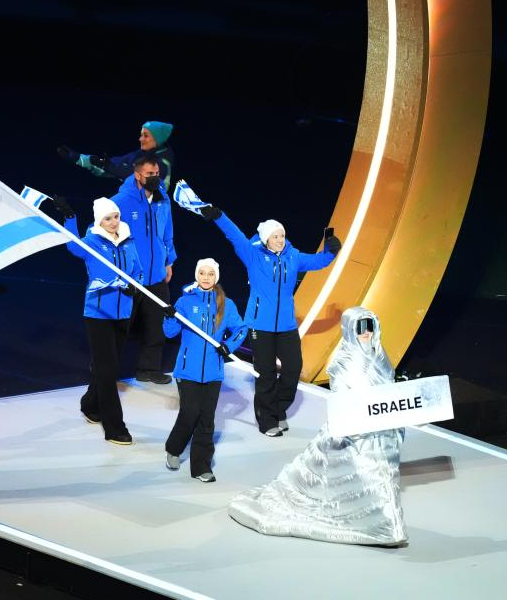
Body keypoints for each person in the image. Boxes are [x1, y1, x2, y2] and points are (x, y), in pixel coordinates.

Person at [228, 307, 407, 546]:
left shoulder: (380, 356)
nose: (366, 333)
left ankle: (387, 527)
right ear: (350, 330)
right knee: (371, 476)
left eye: (370, 327)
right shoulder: (343, 361)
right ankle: (384, 528)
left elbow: (389, 388)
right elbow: (342, 398)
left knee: (383, 476)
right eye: (360, 328)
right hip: (354, 430)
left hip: (381, 430)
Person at [199, 204, 341, 436]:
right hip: (259, 325)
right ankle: (266, 420)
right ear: (266, 239)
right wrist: (219, 216)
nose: (280, 240)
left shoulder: (293, 256)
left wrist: (331, 251)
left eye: (282, 235)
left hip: (287, 326)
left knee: (293, 369)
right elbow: (234, 235)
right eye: (275, 236)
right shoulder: (253, 255)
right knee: (265, 374)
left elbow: (318, 262)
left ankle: (278, 408)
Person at [54, 195, 144, 445]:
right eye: (107, 219)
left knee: (108, 365)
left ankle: (89, 404)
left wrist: (134, 287)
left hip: (123, 313)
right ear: (98, 221)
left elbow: (137, 271)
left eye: (115, 217)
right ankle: (114, 427)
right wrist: (70, 218)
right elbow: (72, 246)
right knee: (107, 371)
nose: (113, 222)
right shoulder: (92, 242)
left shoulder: (128, 240)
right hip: (98, 315)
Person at [162, 258, 248, 482]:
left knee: (207, 419)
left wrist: (229, 346)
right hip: (186, 369)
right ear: (196, 275)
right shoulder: (185, 301)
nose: (206, 277)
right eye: (202, 273)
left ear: (216, 277)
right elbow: (169, 332)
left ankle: (201, 466)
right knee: (190, 412)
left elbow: (241, 329)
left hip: (213, 371)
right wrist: (169, 317)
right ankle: (173, 448)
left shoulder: (226, 304)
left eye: (210, 274)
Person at [111, 154, 177, 385]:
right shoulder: (121, 201)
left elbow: (167, 232)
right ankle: (106, 370)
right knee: (121, 326)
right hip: (130, 276)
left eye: (157, 173)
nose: (155, 178)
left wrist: (169, 261)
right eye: (150, 174)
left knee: (156, 325)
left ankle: (148, 369)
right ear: (138, 175)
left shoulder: (162, 199)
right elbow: (102, 230)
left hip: (157, 274)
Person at [58, 120, 176, 190]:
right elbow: (116, 163)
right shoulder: (141, 154)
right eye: (141, 135)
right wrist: (81, 159)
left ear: (157, 139)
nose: (140, 139)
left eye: (146, 136)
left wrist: (108, 166)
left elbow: (135, 174)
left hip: (152, 215)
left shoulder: (163, 163)